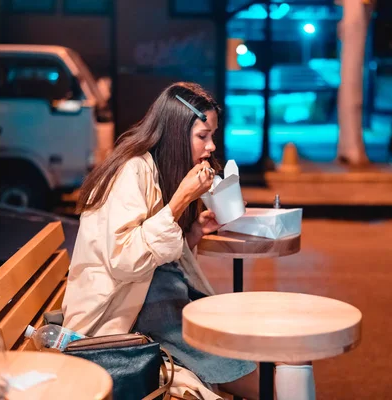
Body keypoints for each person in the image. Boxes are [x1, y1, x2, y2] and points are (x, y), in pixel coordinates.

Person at [61, 82, 316, 400]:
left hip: (155, 301)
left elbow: (153, 253)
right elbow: (124, 261)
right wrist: (179, 201)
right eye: (202, 136)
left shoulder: (155, 168)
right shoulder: (131, 171)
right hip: (121, 325)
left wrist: (193, 231)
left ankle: (266, 375)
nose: (211, 147)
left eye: (212, 136)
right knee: (277, 367)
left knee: (265, 345)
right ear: (175, 134)